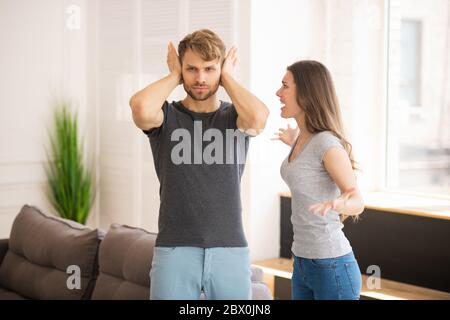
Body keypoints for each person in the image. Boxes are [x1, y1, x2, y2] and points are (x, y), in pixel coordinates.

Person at [129, 29, 269, 300]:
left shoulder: (234, 117)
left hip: (230, 250)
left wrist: (227, 78)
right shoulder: (166, 117)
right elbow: (140, 108)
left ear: (221, 69)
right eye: (191, 69)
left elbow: (258, 118)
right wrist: (172, 76)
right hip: (174, 250)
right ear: (181, 69)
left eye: (209, 69)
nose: (201, 78)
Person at [273, 60, 364, 300]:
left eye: (285, 86)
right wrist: (293, 139)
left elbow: (357, 200)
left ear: (306, 94)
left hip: (331, 264)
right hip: (302, 261)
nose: (278, 93)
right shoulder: (304, 138)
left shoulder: (326, 144)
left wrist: (337, 204)